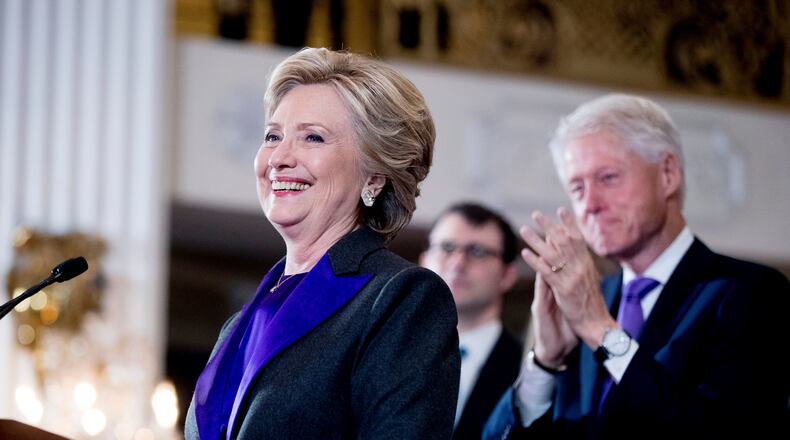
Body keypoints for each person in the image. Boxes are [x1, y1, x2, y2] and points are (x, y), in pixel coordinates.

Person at [184, 48, 460, 439]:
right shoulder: (238, 325)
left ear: (375, 177)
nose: (279, 157)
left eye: (312, 137)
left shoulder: (402, 299)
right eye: (273, 136)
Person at [483, 94, 790, 439]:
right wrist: (545, 362)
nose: (591, 204)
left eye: (608, 177)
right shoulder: (586, 302)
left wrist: (602, 332)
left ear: (668, 175)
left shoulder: (751, 294)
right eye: (577, 187)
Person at [420, 202, 524, 440]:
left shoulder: (528, 372)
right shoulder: (387, 348)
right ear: (424, 261)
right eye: (446, 247)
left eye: (477, 251)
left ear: (508, 276)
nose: (458, 263)